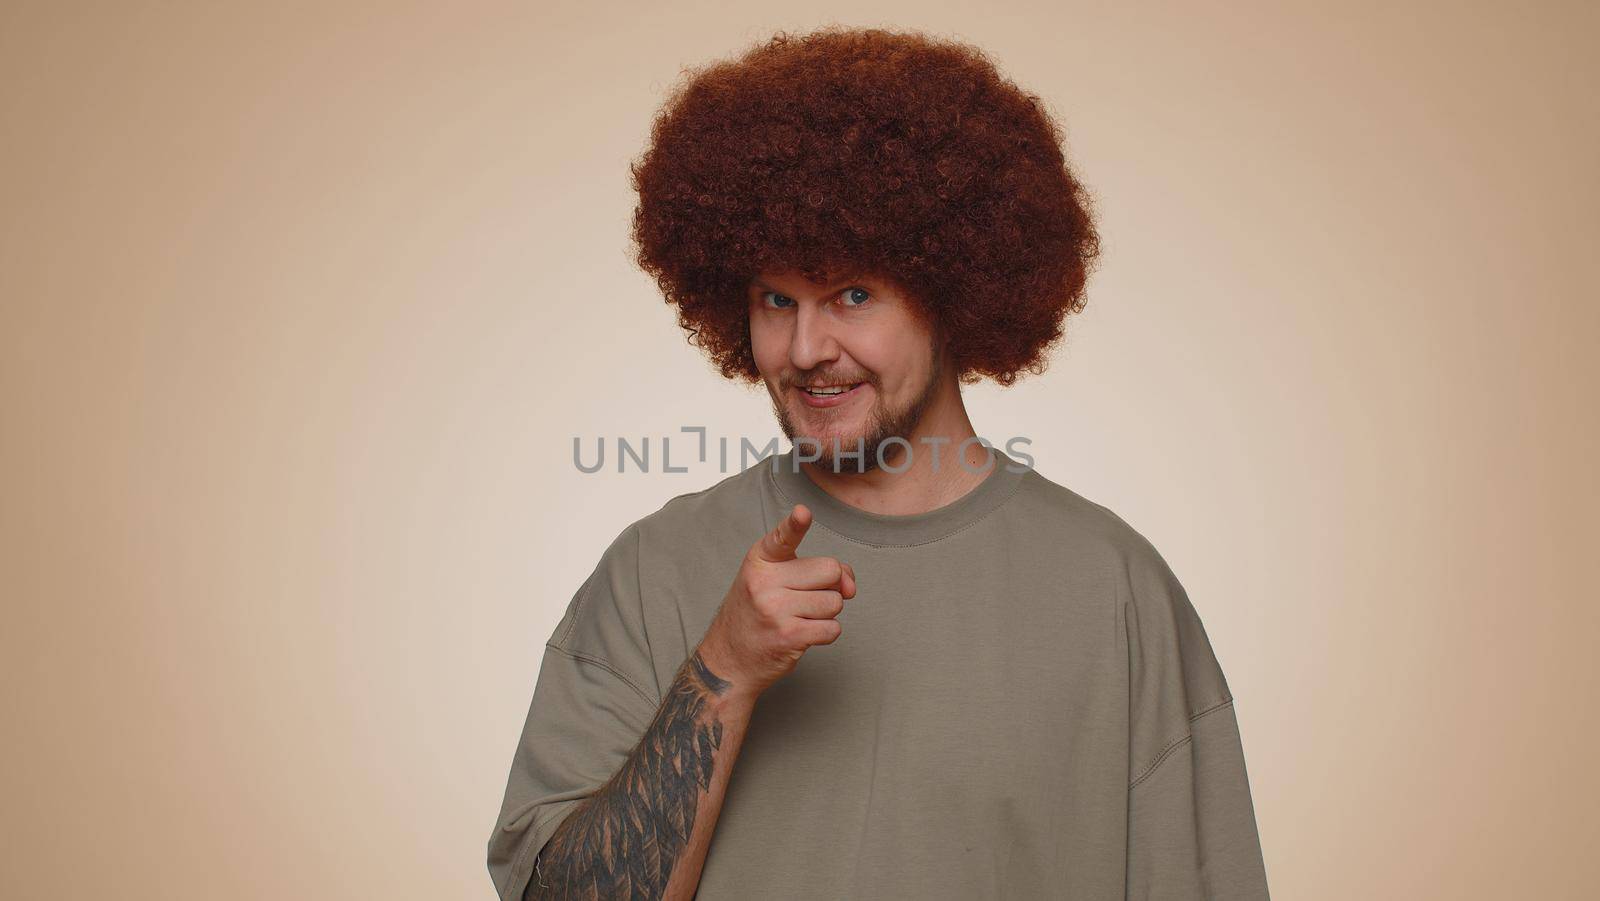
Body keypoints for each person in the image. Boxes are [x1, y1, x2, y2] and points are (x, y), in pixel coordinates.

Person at [488, 25, 1270, 900]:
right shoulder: (652, 573)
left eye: (852, 294)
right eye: (775, 300)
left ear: (952, 287)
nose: (805, 346)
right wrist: (722, 670)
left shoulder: (1114, 591)